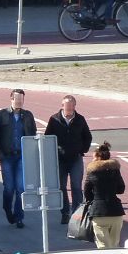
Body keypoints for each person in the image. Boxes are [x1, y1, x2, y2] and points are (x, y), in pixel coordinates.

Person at [0, 88, 37, 229]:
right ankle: (7, 208)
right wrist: (0, 154)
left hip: (22, 156)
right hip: (7, 157)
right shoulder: (1, 115)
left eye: (21, 99)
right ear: (11, 99)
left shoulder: (28, 115)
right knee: (9, 188)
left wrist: (31, 154)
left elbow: (33, 134)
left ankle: (19, 217)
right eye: (16, 99)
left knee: (21, 188)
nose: (19, 102)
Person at [46, 95, 93, 225]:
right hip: (60, 159)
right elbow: (48, 138)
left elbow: (87, 137)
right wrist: (54, 153)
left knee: (76, 186)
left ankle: (76, 213)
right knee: (61, 186)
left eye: (71, 106)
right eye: (66, 106)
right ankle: (65, 213)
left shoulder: (80, 119)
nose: (68, 109)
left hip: (75, 158)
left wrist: (82, 150)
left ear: (74, 106)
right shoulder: (54, 119)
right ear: (62, 106)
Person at [82, 141, 125, 249]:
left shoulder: (92, 172)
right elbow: (121, 189)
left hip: (99, 213)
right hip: (116, 212)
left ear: (97, 157)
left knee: (103, 246)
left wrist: (94, 199)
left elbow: (87, 191)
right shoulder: (115, 170)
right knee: (114, 245)